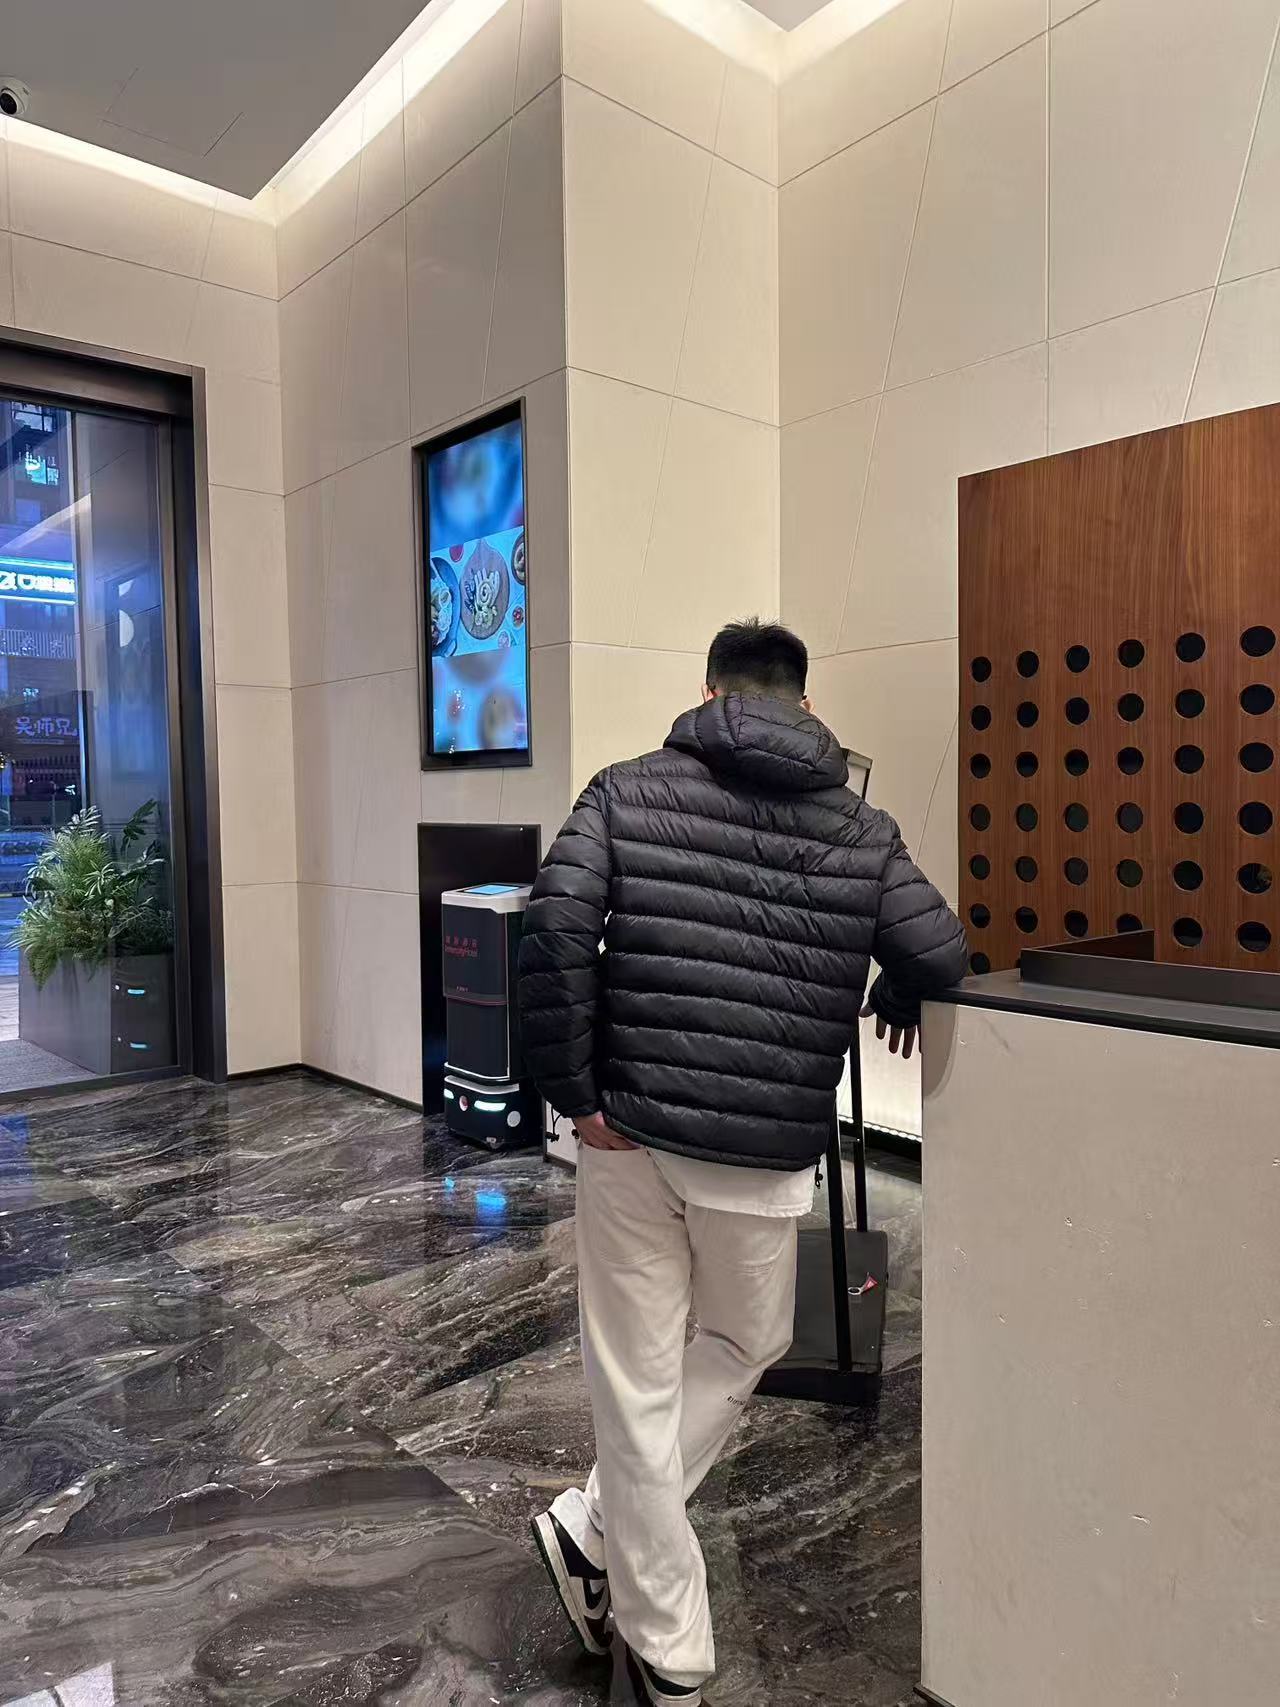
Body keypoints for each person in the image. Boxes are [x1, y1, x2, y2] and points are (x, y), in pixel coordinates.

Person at [517, 618, 967, 1706]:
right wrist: (895, 989)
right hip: (765, 1153)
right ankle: (666, 1642)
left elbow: (553, 926)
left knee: (637, 1380)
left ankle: (596, 1536)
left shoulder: (626, 789)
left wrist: (575, 1093)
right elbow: (943, 951)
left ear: (711, 690)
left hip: (628, 1134)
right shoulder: (862, 826)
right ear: (805, 705)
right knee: (742, 1340)